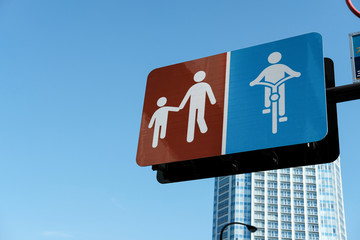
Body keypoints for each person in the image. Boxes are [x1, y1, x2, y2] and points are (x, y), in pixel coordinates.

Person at [249, 52, 301, 121]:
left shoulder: (282, 66)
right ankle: (267, 107)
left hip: (280, 83)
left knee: (281, 97)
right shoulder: (267, 69)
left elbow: (291, 72)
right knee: (267, 94)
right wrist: (254, 82)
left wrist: (295, 74)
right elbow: (260, 77)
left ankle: (282, 114)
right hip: (268, 84)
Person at [179, 71, 216, 143]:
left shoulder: (205, 85)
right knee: (192, 119)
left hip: (201, 103)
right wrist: (181, 106)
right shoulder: (193, 87)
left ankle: (204, 130)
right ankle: (190, 137)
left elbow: (210, 93)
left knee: (199, 117)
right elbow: (187, 97)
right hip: (193, 104)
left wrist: (213, 101)